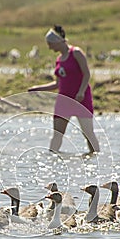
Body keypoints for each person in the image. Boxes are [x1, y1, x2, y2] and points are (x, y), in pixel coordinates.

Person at [28, 25, 100, 154]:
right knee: (57, 134)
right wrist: (37, 88)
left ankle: (95, 156)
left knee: (88, 133)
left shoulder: (76, 53)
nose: (49, 47)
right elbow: (57, 84)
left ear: (57, 42)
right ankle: (52, 158)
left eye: (50, 44)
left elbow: (86, 74)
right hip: (64, 101)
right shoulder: (58, 60)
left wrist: (81, 92)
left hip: (80, 99)